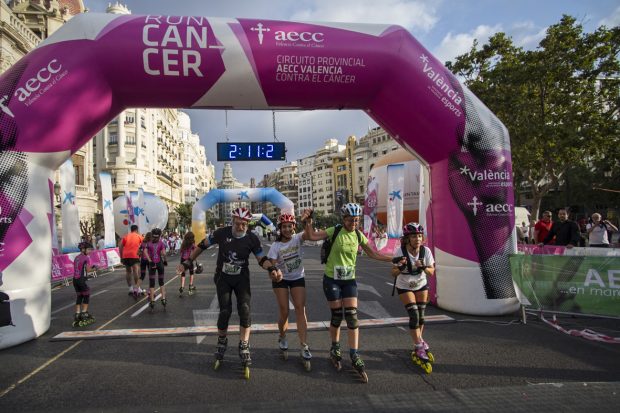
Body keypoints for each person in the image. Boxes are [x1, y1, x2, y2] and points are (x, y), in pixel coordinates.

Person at [300, 203, 395, 382]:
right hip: (332, 280)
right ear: (343, 219)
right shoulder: (335, 231)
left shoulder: (358, 235)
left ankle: (354, 353)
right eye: (350, 220)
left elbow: (373, 254)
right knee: (337, 316)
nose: (353, 223)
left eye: (356, 220)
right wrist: (309, 221)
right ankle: (335, 347)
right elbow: (311, 236)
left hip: (349, 280)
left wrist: (393, 259)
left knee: (352, 316)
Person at [188, 207, 273, 375]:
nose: (241, 227)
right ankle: (221, 341)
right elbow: (202, 245)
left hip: (242, 278)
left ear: (248, 224)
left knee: (245, 310)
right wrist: (188, 261)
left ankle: (244, 344)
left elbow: (261, 259)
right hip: (223, 277)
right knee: (225, 311)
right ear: (233, 221)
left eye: (244, 224)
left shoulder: (252, 238)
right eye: (238, 224)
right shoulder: (222, 233)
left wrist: (272, 268)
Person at [265, 213, 312, 370]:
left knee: (300, 309)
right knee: (284, 311)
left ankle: (304, 345)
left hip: (297, 277)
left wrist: (308, 221)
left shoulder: (298, 238)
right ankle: (282, 336)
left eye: (289, 226)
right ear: (279, 228)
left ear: (293, 227)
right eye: (284, 227)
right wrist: (275, 272)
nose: (287, 229)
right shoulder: (275, 246)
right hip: (281, 280)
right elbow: (271, 264)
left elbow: (308, 234)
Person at [390, 223, 435, 373]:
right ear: (408, 239)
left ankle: (419, 341)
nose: (417, 239)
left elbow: (431, 272)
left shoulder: (426, 251)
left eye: (420, 236)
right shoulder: (400, 251)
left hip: (421, 284)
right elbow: (393, 273)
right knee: (414, 315)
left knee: (421, 316)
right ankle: (418, 346)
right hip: (404, 286)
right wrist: (401, 267)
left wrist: (423, 267)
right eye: (414, 236)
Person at [72, 242, 96, 327]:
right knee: (87, 294)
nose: (90, 251)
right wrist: (95, 268)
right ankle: (84, 313)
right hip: (81, 280)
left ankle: (77, 313)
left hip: (75, 280)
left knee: (79, 296)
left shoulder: (76, 257)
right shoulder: (86, 258)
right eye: (89, 249)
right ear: (83, 249)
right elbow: (88, 270)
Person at [144, 228, 168, 309]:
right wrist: (165, 261)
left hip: (152, 264)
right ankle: (163, 299)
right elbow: (164, 253)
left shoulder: (149, 243)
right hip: (160, 263)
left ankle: (152, 301)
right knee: (161, 282)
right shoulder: (161, 243)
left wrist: (149, 260)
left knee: (152, 283)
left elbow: (145, 252)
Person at [119, 224, 143, 297]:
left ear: (131, 230)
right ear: (137, 230)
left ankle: (130, 288)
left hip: (125, 255)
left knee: (128, 271)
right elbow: (144, 245)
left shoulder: (126, 236)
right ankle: (137, 288)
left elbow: (120, 246)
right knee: (136, 271)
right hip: (134, 255)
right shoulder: (139, 236)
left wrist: (121, 256)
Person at [177, 231, 197, 296]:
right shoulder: (192, 243)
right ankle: (190, 286)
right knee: (191, 273)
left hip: (182, 259)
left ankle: (182, 286)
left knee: (183, 273)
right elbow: (195, 251)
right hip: (189, 260)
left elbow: (180, 251)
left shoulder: (183, 243)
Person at [138, 232, 152, 296]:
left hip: (143, 260)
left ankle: (136, 289)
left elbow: (138, 252)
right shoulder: (151, 243)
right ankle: (149, 291)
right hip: (150, 261)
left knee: (142, 276)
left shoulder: (143, 242)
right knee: (151, 276)